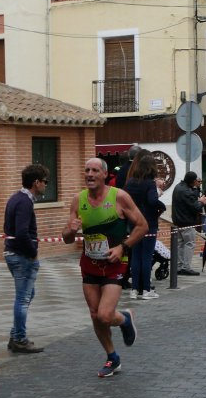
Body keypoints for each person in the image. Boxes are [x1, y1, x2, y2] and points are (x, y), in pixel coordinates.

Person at [62, 157, 148, 378]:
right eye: (87, 170)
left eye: (95, 170)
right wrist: (71, 230)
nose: (89, 174)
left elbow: (142, 226)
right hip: (89, 262)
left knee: (105, 315)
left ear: (103, 174)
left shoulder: (119, 196)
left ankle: (125, 319)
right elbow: (67, 239)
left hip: (115, 263)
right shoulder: (77, 200)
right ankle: (112, 358)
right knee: (94, 314)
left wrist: (123, 247)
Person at [3, 163, 49, 354]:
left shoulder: (16, 198)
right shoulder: (24, 202)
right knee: (23, 299)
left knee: (28, 295)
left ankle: (15, 335)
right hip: (21, 256)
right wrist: (33, 253)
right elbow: (21, 233)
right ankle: (20, 339)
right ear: (36, 182)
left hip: (13, 253)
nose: (46, 185)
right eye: (45, 182)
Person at [125, 154, 161, 300]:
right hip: (148, 224)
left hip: (133, 223)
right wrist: (162, 206)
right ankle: (146, 289)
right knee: (146, 257)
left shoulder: (130, 182)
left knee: (136, 257)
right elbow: (152, 201)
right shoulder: (150, 183)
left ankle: (134, 289)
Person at [172, 171, 206, 276]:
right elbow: (195, 207)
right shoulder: (186, 192)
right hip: (187, 221)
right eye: (196, 181)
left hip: (177, 221)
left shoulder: (178, 187)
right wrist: (202, 201)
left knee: (180, 244)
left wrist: (196, 190)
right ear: (193, 181)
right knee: (189, 244)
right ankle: (186, 267)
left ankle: (179, 266)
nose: (197, 182)